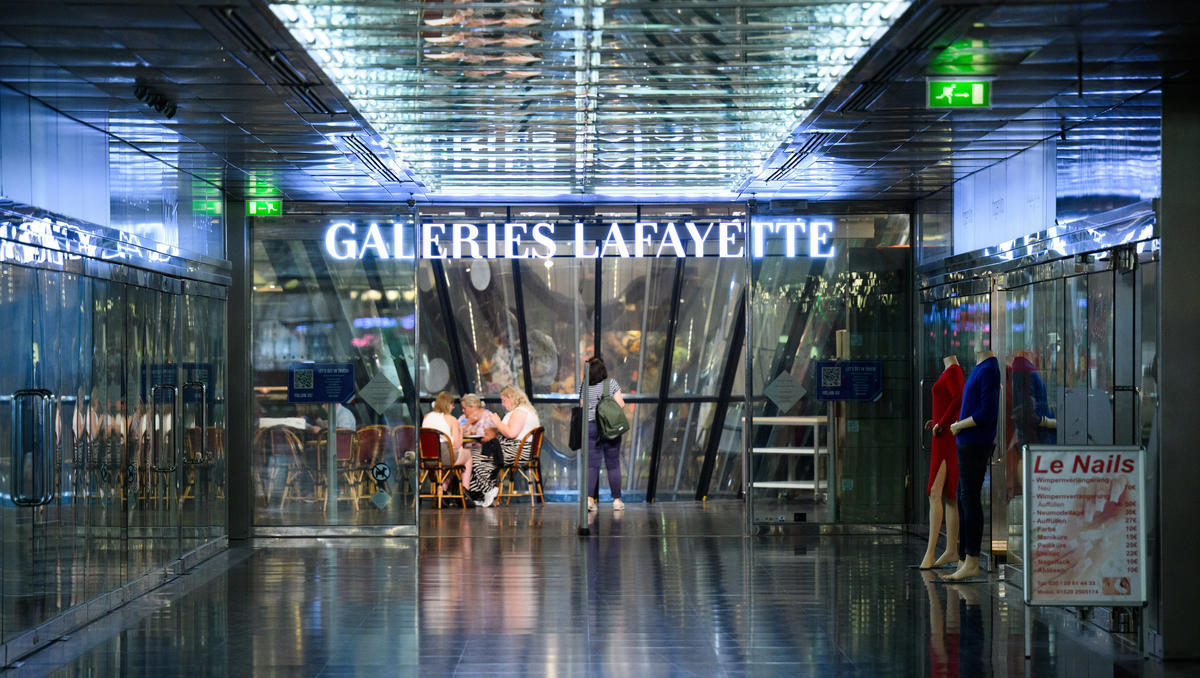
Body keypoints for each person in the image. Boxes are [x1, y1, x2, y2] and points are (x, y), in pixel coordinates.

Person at [946, 349, 1001, 581]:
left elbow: (987, 412)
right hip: (968, 441)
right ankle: (963, 558)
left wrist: (960, 425)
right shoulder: (981, 367)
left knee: (969, 498)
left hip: (975, 442)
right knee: (963, 497)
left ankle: (972, 560)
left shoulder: (989, 369)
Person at [469, 385, 540, 508]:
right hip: (514, 449)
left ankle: (488, 490)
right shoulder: (523, 411)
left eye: (504, 400)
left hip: (516, 450)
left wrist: (497, 422)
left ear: (512, 398)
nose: (502, 404)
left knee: (474, 455)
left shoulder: (520, 412)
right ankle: (485, 492)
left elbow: (511, 434)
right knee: (481, 455)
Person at [581, 356, 627, 512]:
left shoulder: (584, 387)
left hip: (591, 427)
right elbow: (621, 404)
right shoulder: (611, 384)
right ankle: (616, 500)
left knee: (592, 466)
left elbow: (582, 407)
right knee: (613, 465)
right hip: (610, 428)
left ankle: (589, 500)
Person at [451, 393, 497, 494]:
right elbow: (456, 434)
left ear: (472, 407)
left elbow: (491, 437)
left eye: (464, 408)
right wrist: (467, 424)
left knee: (474, 459)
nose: (462, 410)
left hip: (485, 449)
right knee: (454, 457)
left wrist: (476, 438)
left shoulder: (487, 416)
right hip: (466, 448)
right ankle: (460, 492)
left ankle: (479, 492)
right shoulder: (463, 418)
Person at [421, 391, 463, 472]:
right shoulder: (451, 419)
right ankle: (464, 485)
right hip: (444, 457)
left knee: (455, 459)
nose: (453, 407)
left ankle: (442, 483)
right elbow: (457, 444)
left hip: (426, 458)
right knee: (468, 456)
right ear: (448, 405)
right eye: (452, 405)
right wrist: (460, 431)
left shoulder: (426, 416)